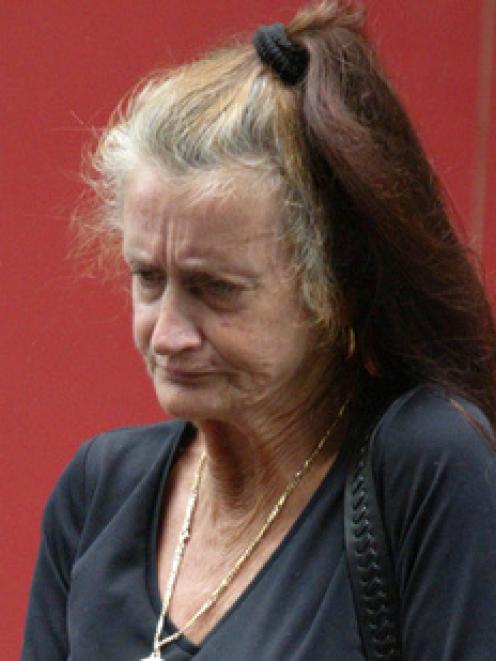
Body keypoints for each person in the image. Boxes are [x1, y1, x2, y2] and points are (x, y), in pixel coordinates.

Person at [22, 1, 496, 659]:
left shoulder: (427, 469)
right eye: (147, 277)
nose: (167, 334)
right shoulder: (99, 491)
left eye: (216, 289)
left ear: (333, 285)